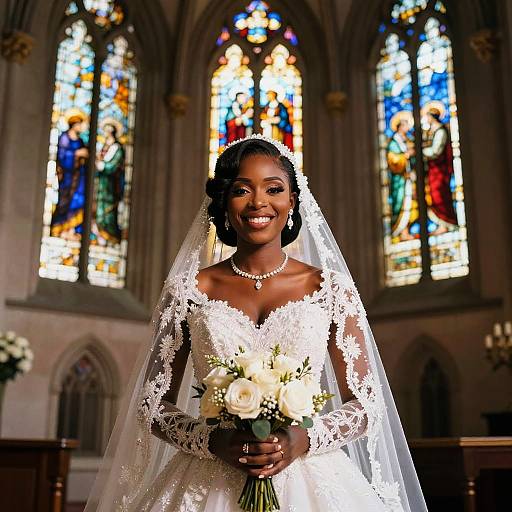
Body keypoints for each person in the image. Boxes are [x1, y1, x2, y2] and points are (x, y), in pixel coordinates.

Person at [85, 135, 427, 512]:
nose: (258, 203)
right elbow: (151, 404)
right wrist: (213, 441)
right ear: (224, 203)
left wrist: (303, 438)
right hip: (207, 477)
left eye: (274, 189)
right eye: (241, 190)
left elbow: (365, 402)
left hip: (312, 476)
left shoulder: (330, 289)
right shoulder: (188, 290)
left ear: (292, 201)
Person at [50, 112, 88, 240]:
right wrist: (77, 154)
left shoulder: (81, 140)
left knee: (78, 201)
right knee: (64, 203)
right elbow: (62, 156)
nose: (81, 127)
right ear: (74, 124)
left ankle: (74, 230)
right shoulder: (65, 138)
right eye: (79, 124)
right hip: (67, 177)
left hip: (79, 179)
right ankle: (60, 228)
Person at [422, 107, 457, 235]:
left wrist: (420, 152)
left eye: (428, 116)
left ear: (432, 117)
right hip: (433, 170)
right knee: (433, 194)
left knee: (440, 194)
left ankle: (447, 223)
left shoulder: (440, 131)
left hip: (440, 170)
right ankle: (442, 223)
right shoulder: (430, 131)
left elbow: (436, 151)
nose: (427, 119)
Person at [93, 121, 125, 245]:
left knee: (108, 211)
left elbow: (113, 165)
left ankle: (109, 235)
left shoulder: (117, 148)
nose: (105, 133)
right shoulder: (104, 145)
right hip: (101, 183)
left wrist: (102, 165)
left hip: (111, 185)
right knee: (98, 209)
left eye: (108, 131)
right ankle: (99, 233)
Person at [387, 114, 417, 241]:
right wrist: (405, 156)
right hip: (399, 181)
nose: (407, 128)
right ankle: (401, 232)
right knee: (401, 205)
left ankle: (407, 231)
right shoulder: (394, 141)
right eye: (405, 125)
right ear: (399, 126)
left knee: (412, 205)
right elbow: (392, 159)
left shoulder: (408, 140)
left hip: (410, 179)